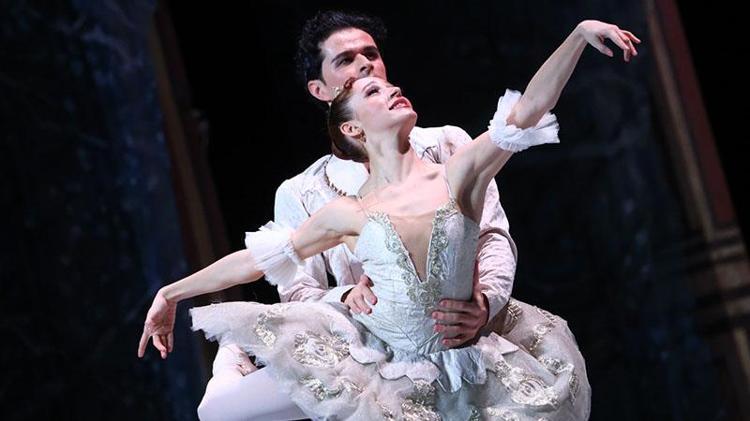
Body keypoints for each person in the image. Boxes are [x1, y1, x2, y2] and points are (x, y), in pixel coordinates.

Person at [138, 12, 640, 420]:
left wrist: (578, 36)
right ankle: (239, 354)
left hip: (464, 352)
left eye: (377, 67)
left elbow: (525, 113)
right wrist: (171, 293)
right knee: (217, 411)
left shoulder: (454, 165)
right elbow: (260, 261)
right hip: (379, 356)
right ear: (349, 124)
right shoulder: (341, 206)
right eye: (363, 82)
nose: (375, 77)